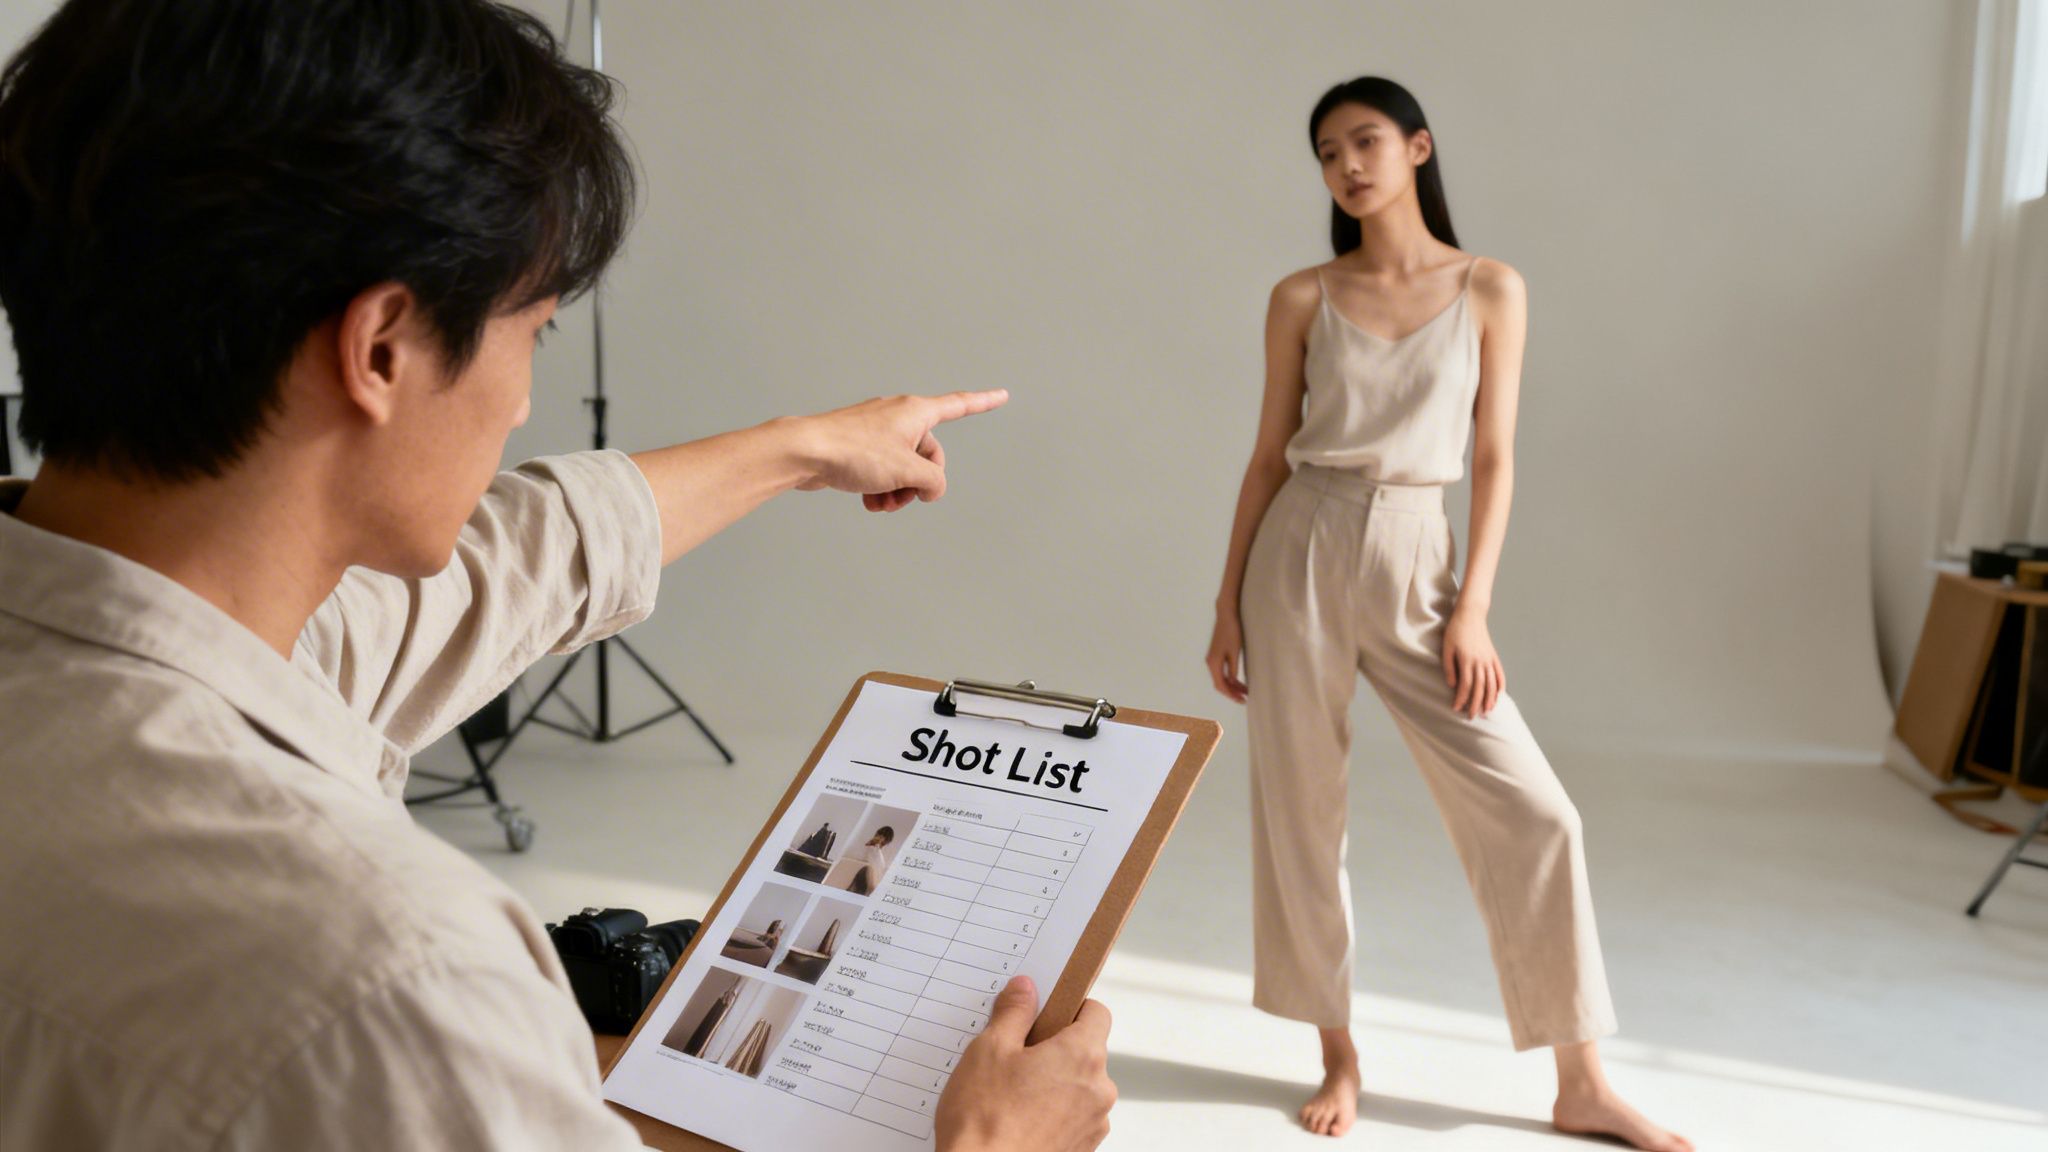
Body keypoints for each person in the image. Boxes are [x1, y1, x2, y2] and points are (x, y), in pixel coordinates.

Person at [0, 2, 1113, 1149]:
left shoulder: (125, 656)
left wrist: (802, 449)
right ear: (381, 347)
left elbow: (507, 561)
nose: (524, 400)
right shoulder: (390, 980)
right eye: (529, 328)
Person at [1204, 77, 1690, 1150]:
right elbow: (1260, 459)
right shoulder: (1300, 297)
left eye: (1366, 140)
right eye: (1326, 151)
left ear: (1417, 147)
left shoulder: (1489, 289)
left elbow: (1494, 457)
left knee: (1536, 814)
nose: (1346, 164)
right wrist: (1225, 604)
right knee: (1298, 814)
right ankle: (1337, 1056)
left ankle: (1579, 1080)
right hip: (1300, 550)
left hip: (1421, 557)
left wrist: (1470, 608)